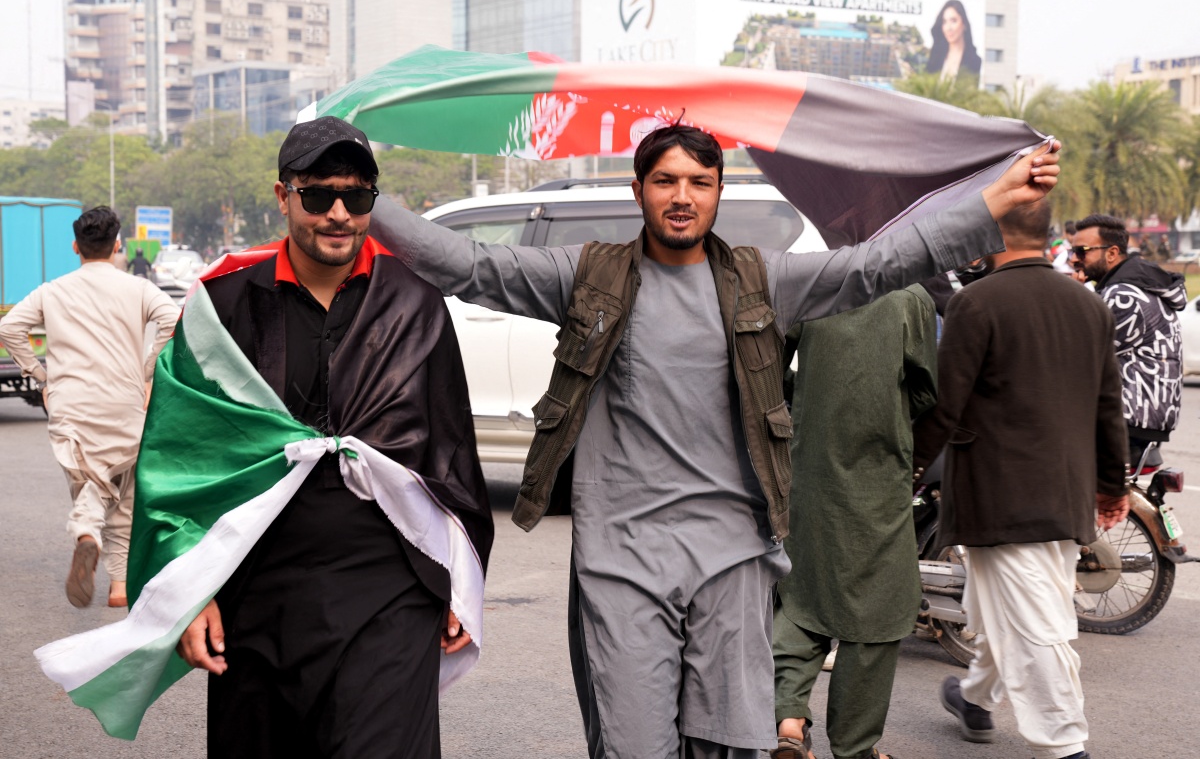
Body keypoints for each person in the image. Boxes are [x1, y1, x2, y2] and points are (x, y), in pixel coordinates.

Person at [370, 122, 1060, 758]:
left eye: (699, 182)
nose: (681, 197)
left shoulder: (762, 280)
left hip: (732, 558)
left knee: (728, 745)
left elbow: (874, 265)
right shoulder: (588, 278)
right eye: (665, 181)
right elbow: (464, 263)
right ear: (638, 189)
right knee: (635, 743)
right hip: (624, 559)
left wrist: (993, 201)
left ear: (719, 193)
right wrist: (363, 199)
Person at [172, 117, 494, 757]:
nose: (339, 214)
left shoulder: (414, 303)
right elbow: (182, 459)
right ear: (284, 195)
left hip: (390, 591)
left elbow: (450, 452)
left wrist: (459, 578)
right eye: (319, 195)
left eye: (358, 197)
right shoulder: (223, 305)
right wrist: (190, 588)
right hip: (257, 593)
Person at [912, 200, 1129, 759]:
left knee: (1037, 624)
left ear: (988, 238)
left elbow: (945, 405)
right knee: (1005, 603)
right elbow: (1109, 407)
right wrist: (1111, 487)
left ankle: (1063, 743)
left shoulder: (975, 302)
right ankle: (975, 697)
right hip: (1064, 492)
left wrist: (908, 468)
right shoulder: (1088, 304)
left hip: (996, 496)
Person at [772, 285, 938, 759]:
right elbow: (926, 387)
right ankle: (854, 746)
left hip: (811, 467)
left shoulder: (812, 285)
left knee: (805, 594)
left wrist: (807, 401)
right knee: (877, 608)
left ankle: (787, 718)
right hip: (878, 473)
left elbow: (769, 369)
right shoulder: (911, 297)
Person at [0, 206, 178, 608]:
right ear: (118, 246)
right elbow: (173, 319)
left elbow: (9, 328)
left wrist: (41, 375)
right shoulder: (140, 289)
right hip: (126, 404)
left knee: (89, 484)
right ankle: (119, 587)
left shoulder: (52, 290)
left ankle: (86, 535)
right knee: (124, 491)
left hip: (72, 407)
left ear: (75, 247)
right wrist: (148, 369)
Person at [1071, 213, 1186, 465]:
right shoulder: (1136, 286)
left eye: (1082, 251)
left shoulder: (1122, 294)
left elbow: (1078, 353)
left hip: (1129, 418)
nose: (1073, 259)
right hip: (1147, 417)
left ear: (1111, 253)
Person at [925, 0, 982, 80]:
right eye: (944, 22)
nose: (948, 28)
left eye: (953, 21)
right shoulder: (936, 57)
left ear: (964, 24)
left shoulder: (974, 61)